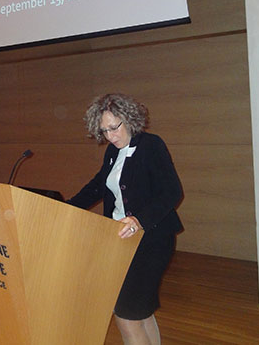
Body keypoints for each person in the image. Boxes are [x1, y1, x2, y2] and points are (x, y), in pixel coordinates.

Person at [67, 93, 183, 345]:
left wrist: (138, 220)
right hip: (121, 241)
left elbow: (172, 191)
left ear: (129, 119)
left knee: (126, 315)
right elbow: (98, 187)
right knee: (140, 313)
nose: (110, 136)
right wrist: (66, 207)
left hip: (151, 241)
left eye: (114, 127)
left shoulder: (151, 146)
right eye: (104, 131)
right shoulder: (112, 151)